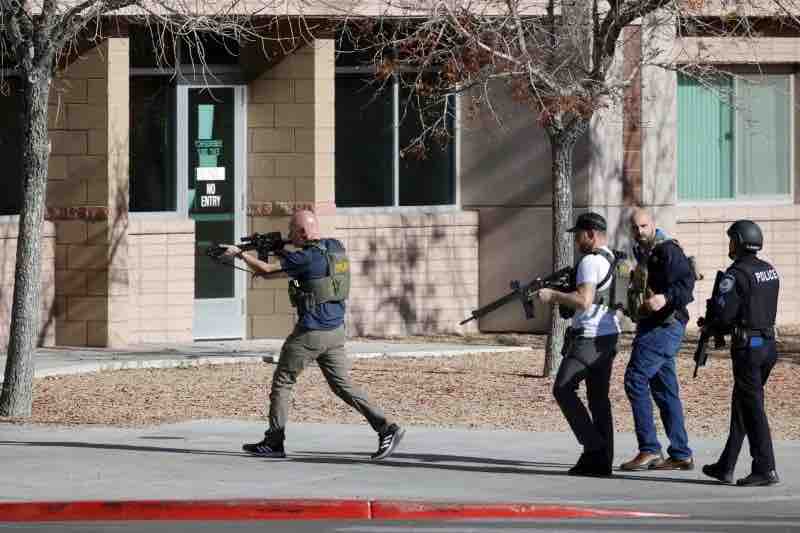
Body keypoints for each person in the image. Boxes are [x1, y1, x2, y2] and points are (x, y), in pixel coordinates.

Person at [221, 209, 405, 461]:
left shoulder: (305, 257)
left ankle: (274, 441)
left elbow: (266, 270)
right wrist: (279, 246)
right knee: (342, 385)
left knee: (283, 380)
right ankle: (387, 428)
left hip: (312, 332)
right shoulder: (334, 247)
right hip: (336, 332)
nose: (288, 236)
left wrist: (240, 254)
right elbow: (306, 268)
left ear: (302, 232)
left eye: (291, 232)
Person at [536, 212, 621, 477]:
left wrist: (553, 296)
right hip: (609, 336)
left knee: (563, 388)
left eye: (579, 236)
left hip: (589, 337)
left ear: (591, 234)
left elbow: (584, 301)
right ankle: (601, 461)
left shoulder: (589, 261)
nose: (576, 242)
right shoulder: (612, 258)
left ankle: (594, 447)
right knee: (598, 399)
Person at [701, 220, 780, 487]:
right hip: (769, 345)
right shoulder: (769, 270)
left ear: (740, 241)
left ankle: (765, 468)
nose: (730, 245)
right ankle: (726, 465)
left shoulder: (736, 274)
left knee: (753, 408)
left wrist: (712, 322)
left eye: (731, 239)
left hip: (749, 349)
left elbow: (724, 315)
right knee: (743, 406)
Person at [620, 208, 695, 472]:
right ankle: (681, 453)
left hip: (665, 327)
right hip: (653, 325)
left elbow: (686, 284)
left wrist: (665, 298)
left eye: (643, 226)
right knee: (665, 390)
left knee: (635, 379)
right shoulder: (643, 249)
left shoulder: (667, 250)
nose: (639, 232)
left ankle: (650, 449)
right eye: (635, 228)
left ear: (653, 224)